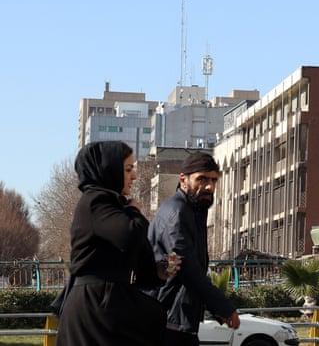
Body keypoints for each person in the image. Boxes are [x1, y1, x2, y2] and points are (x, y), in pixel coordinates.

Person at [57, 141, 174, 346]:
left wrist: (158, 272)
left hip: (106, 305)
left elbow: (125, 260)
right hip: (95, 309)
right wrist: (134, 211)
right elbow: (130, 235)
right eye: (128, 169)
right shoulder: (96, 201)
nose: (134, 176)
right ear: (108, 170)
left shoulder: (112, 205)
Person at [147, 151, 241, 346]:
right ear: (183, 180)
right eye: (202, 179)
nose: (209, 186)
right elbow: (188, 268)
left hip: (175, 319)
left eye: (213, 180)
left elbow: (180, 265)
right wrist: (221, 306)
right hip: (165, 320)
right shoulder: (177, 213)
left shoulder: (193, 211)